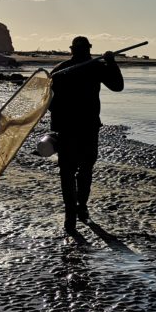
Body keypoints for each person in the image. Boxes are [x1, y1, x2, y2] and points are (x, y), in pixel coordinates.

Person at [48, 36, 124, 234]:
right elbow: (118, 85)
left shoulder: (62, 70)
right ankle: (77, 209)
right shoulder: (80, 68)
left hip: (72, 127)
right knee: (81, 169)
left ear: (72, 50)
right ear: (87, 50)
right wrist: (111, 63)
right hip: (84, 127)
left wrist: (109, 63)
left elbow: (48, 103)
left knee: (71, 171)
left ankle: (74, 211)